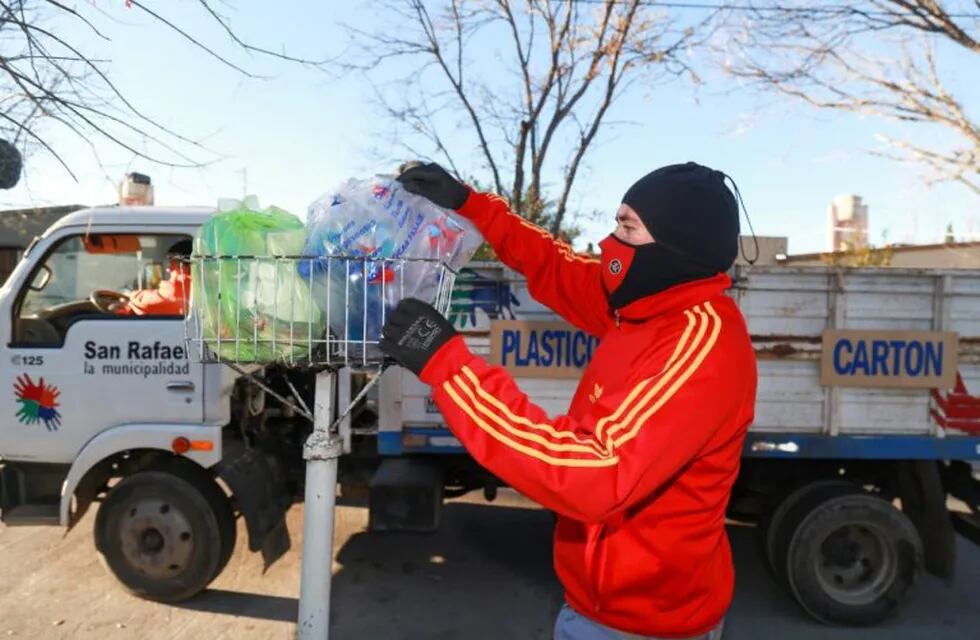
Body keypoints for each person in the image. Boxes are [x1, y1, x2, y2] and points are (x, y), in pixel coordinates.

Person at [379, 162, 757, 640]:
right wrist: (470, 204)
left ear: (676, 245)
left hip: (646, 626)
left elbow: (596, 473)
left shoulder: (700, 342)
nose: (609, 242)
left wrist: (449, 367)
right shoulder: (646, 305)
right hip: (595, 606)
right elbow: (553, 265)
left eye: (627, 226)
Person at [113, 239, 192, 316]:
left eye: (172, 264)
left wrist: (130, 296)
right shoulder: (194, 284)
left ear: (186, 266)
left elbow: (151, 302)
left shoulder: (181, 285)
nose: (168, 269)